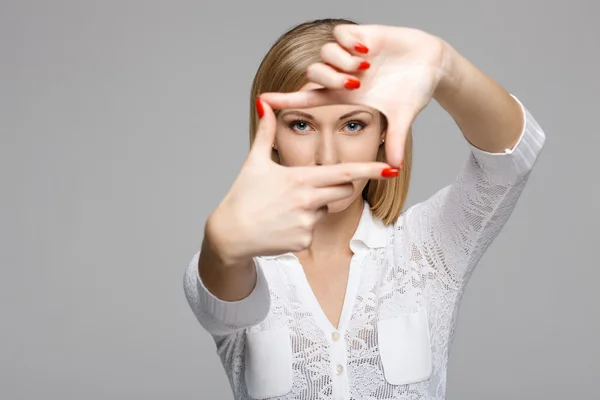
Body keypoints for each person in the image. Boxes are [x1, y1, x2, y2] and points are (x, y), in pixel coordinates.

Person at [183, 18, 546, 400]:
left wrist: (444, 66)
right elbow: (220, 297)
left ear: (385, 130)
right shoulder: (240, 264)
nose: (328, 157)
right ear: (270, 134)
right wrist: (221, 245)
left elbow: (511, 158)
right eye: (301, 125)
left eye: (352, 124)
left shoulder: (425, 248)